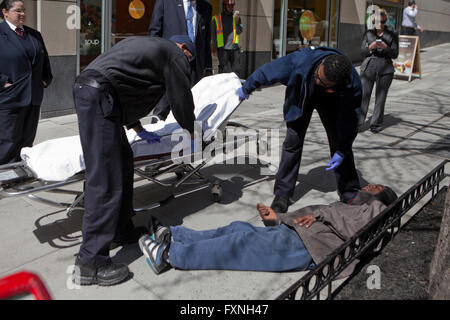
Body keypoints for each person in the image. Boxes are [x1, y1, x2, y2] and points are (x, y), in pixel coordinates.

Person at [72, 35, 196, 286]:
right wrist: (191, 130)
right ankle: (90, 262)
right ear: (183, 48)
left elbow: (123, 82)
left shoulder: (149, 47)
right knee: (105, 178)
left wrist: (137, 128)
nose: (187, 63)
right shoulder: (174, 54)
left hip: (97, 94)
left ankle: (121, 228)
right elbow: (180, 97)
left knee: (122, 162)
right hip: (99, 96)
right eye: (189, 58)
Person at [138, 184, 397, 276]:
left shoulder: (374, 211)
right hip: (293, 235)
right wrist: (277, 217)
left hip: (305, 248)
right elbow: (309, 218)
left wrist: (319, 213)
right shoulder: (348, 206)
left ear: (382, 197)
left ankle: (169, 256)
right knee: (238, 228)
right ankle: (177, 237)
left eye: (376, 187)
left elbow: (364, 233)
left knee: (239, 244)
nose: (370, 186)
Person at [237, 47, 362, 213]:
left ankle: (349, 191)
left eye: (323, 84)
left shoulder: (351, 82)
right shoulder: (302, 61)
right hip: (302, 99)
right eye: (318, 77)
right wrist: (247, 87)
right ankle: (283, 194)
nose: (318, 82)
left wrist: (343, 149)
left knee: (340, 143)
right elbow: (268, 70)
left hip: (332, 103)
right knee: (292, 143)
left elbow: (351, 120)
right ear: (321, 65)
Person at [0, 0, 52, 165]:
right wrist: (4, 83)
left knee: (26, 141)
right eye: (18, 10)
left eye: (24, 10)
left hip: (33, 96)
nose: (22, 14)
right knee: (8, 141)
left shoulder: (34, 34)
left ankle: (20, 176)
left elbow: (44, 60)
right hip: (10, 98)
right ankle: (4, 180)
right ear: (5, 12)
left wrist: (45, 79)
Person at [359, 8, 399, 134]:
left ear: (385, 21)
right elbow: (362, 52)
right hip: (368, 67)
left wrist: (386, 47)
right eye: (376, 21)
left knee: (380, 98)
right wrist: (370, 47)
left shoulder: (392, 34)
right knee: (363, 96)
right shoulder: (368, 33)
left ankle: (375, 124)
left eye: (381, 21)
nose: (379, 24)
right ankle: (358, 123)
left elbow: (395, 54)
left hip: (385, 68)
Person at [211, 0, 243, 76]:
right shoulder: (216, 18)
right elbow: (213, 34)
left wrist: (237, 22)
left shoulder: (236, 18)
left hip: (234, 48)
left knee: (236, 70)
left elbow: (239, 32)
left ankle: (236, 86)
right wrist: (214, 47)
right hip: (222, 49)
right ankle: (222, 87)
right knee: (223, 70)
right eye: (229, 5)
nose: (231, 7)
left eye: (232, 6)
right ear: (224, 6)